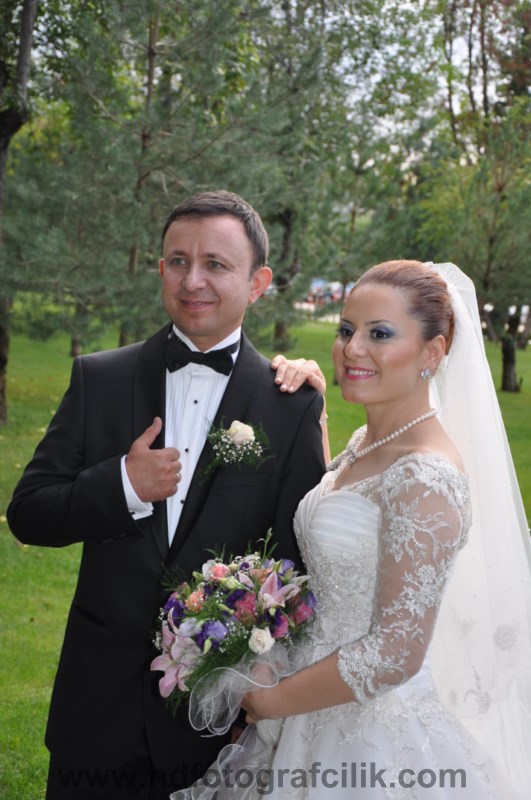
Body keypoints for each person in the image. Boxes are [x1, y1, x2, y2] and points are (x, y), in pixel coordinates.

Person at [7, 190, 328, 799]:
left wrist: (256, 691)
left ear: (258, 283)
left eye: (216, 264)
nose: (193, 279)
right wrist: (122, 484)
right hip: (95, 710)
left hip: (215, 725)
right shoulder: (99, 378)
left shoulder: (290, 405)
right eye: (178, 261)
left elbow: (298, 565)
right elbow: (29, 513)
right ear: (160, 269)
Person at [174, 260, 531, 799]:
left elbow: (396, 651)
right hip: (313, 696)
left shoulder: (426, 477)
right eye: (346, 330)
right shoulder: (367, 442)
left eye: (379, 334)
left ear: (433, 353)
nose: (351, 349)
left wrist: (271, 701)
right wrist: (312, 411)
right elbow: (344, 522)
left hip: (370, 737)